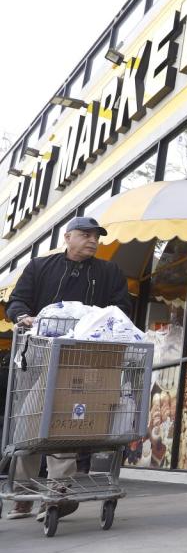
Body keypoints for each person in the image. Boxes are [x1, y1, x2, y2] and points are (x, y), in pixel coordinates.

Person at [4, 216, 132, 520]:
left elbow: (122, 307)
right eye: (85, 235)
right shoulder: (39, 267)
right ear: (67, 237)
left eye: (96, 236)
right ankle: (23, 493)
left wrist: (95, 319)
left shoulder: (109, 271)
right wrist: (23, 316)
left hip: (84, 358)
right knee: (31, 422)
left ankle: (57, 490)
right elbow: (16, 302)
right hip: (38, 354)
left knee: (66, 422)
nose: (92, 240)